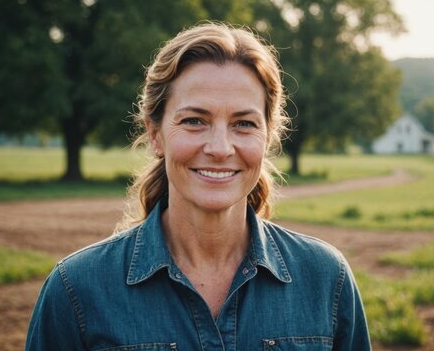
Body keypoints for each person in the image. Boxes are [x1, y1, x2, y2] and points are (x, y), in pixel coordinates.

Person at [25, 22, 371, 350]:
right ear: (155, 133)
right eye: (194, 121)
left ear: (268, 137)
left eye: (244, 123)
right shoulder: (76, 290)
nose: (220, 148)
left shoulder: (327, 279)